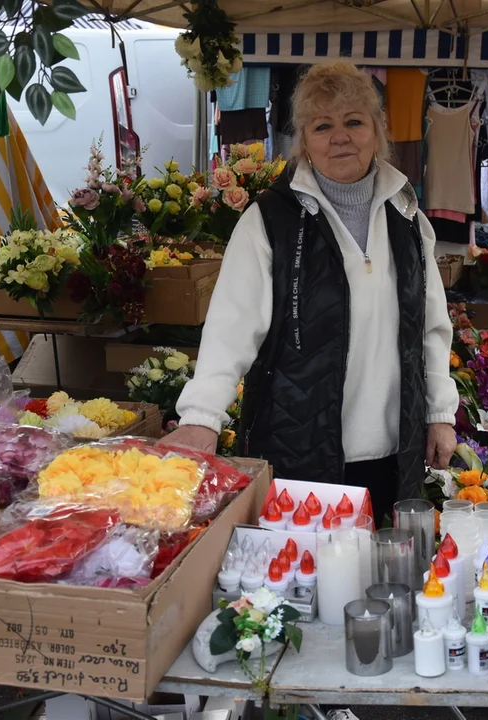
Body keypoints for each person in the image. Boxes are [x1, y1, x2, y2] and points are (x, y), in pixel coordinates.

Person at [162, 61, 459, 523]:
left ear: (378, 132)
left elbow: (433, 328)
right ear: (303, 140)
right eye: (323, 126)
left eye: (354, 122)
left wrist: (440, 412)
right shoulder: (270, 221)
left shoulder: (407, 219)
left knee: (378, 579)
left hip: (391, 454)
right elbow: (230, 327)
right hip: (296, 448)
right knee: (300, 582)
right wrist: (201, 417)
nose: (340, 137)